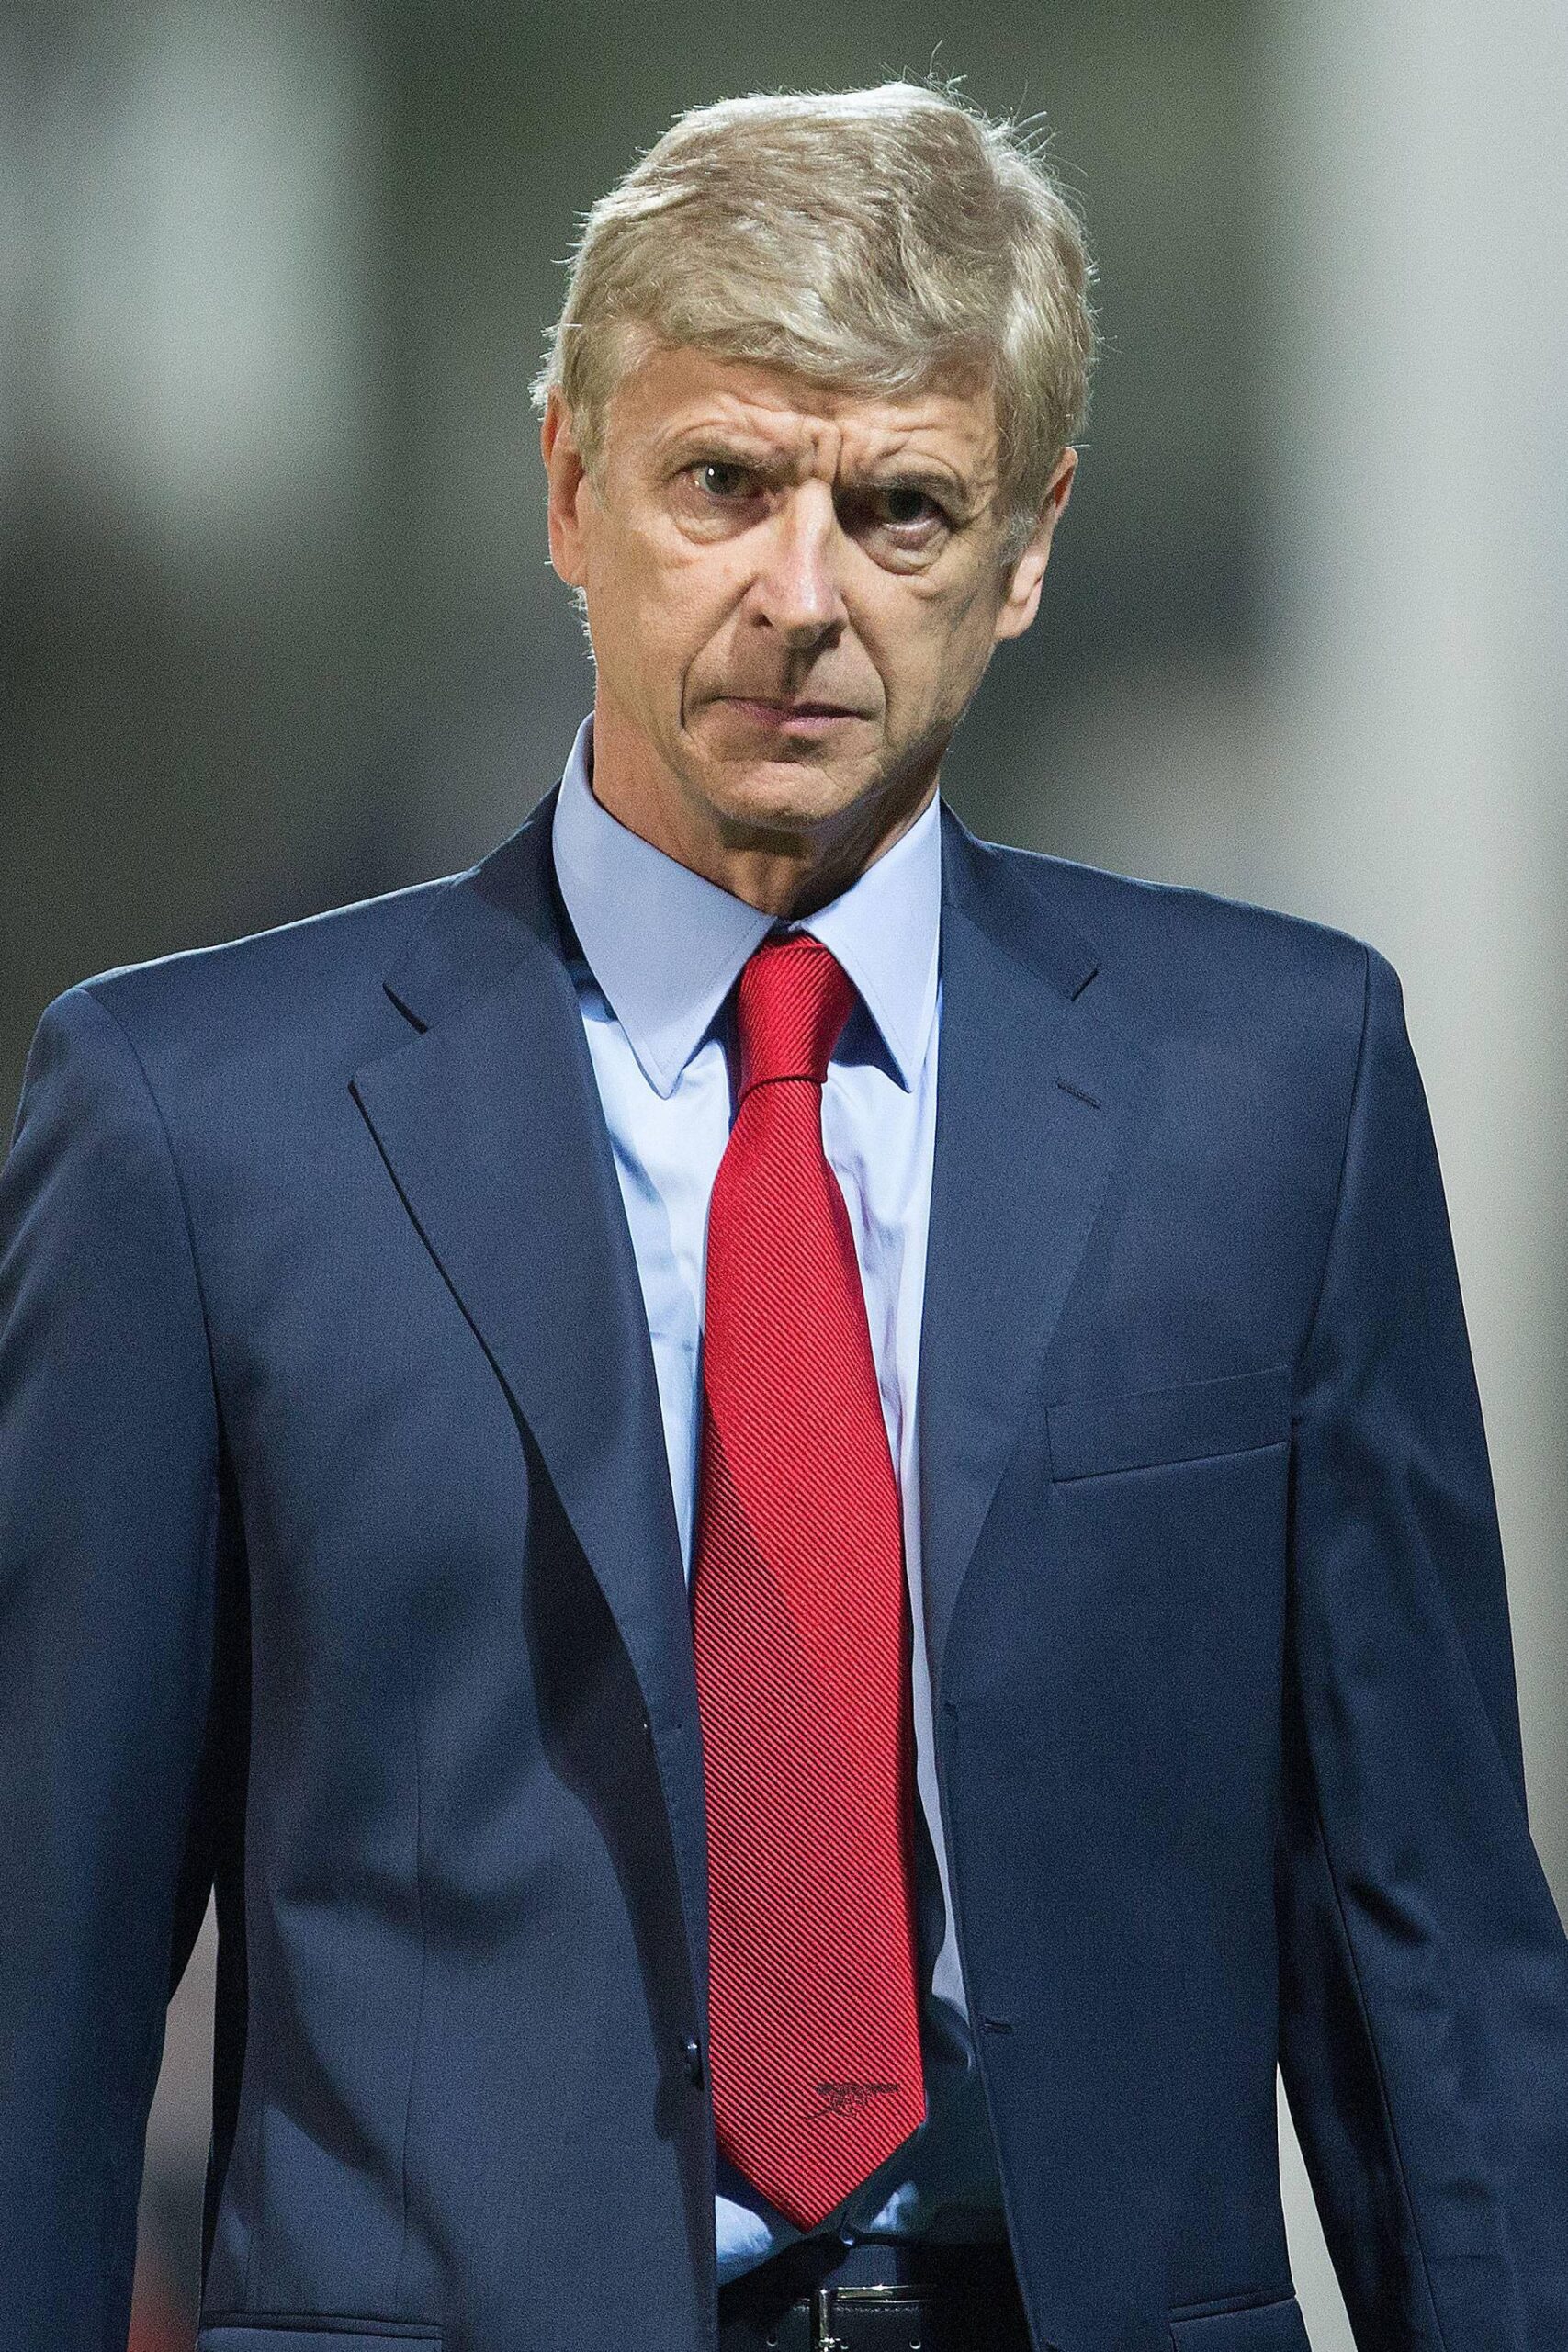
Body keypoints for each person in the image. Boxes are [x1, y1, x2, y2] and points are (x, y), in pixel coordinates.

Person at [1, 77, 1564, 2352]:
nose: (799, 594)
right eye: (721, 481)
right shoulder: (195, 1127)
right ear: (569, 484)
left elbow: (1428, 1964)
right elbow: (38, 1978)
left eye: (898, 506)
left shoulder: (1272, 1095)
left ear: (1024, 546)